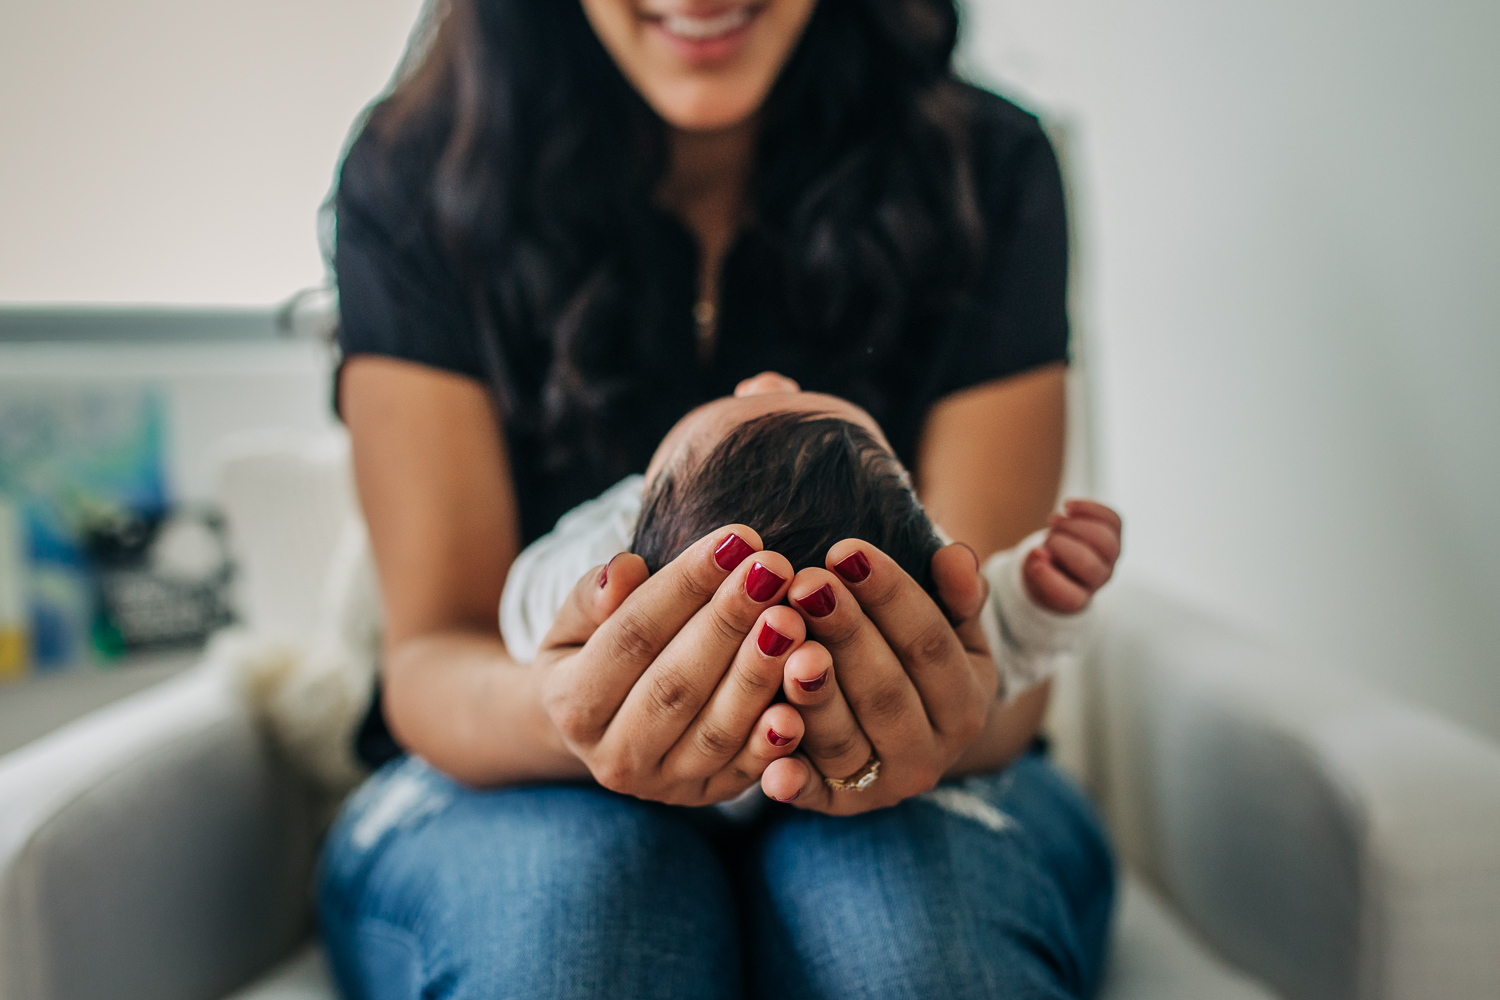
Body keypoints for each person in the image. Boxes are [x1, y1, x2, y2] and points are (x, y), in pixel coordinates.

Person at [320, 0, 1120, 996]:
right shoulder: (418, 174)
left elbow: (990, 662)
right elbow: (435, 651)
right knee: (574, 939)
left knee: (911, 950)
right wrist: (571, 711)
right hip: (508, 769)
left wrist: (1014, 626)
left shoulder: (983, 170)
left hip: (931, 787)